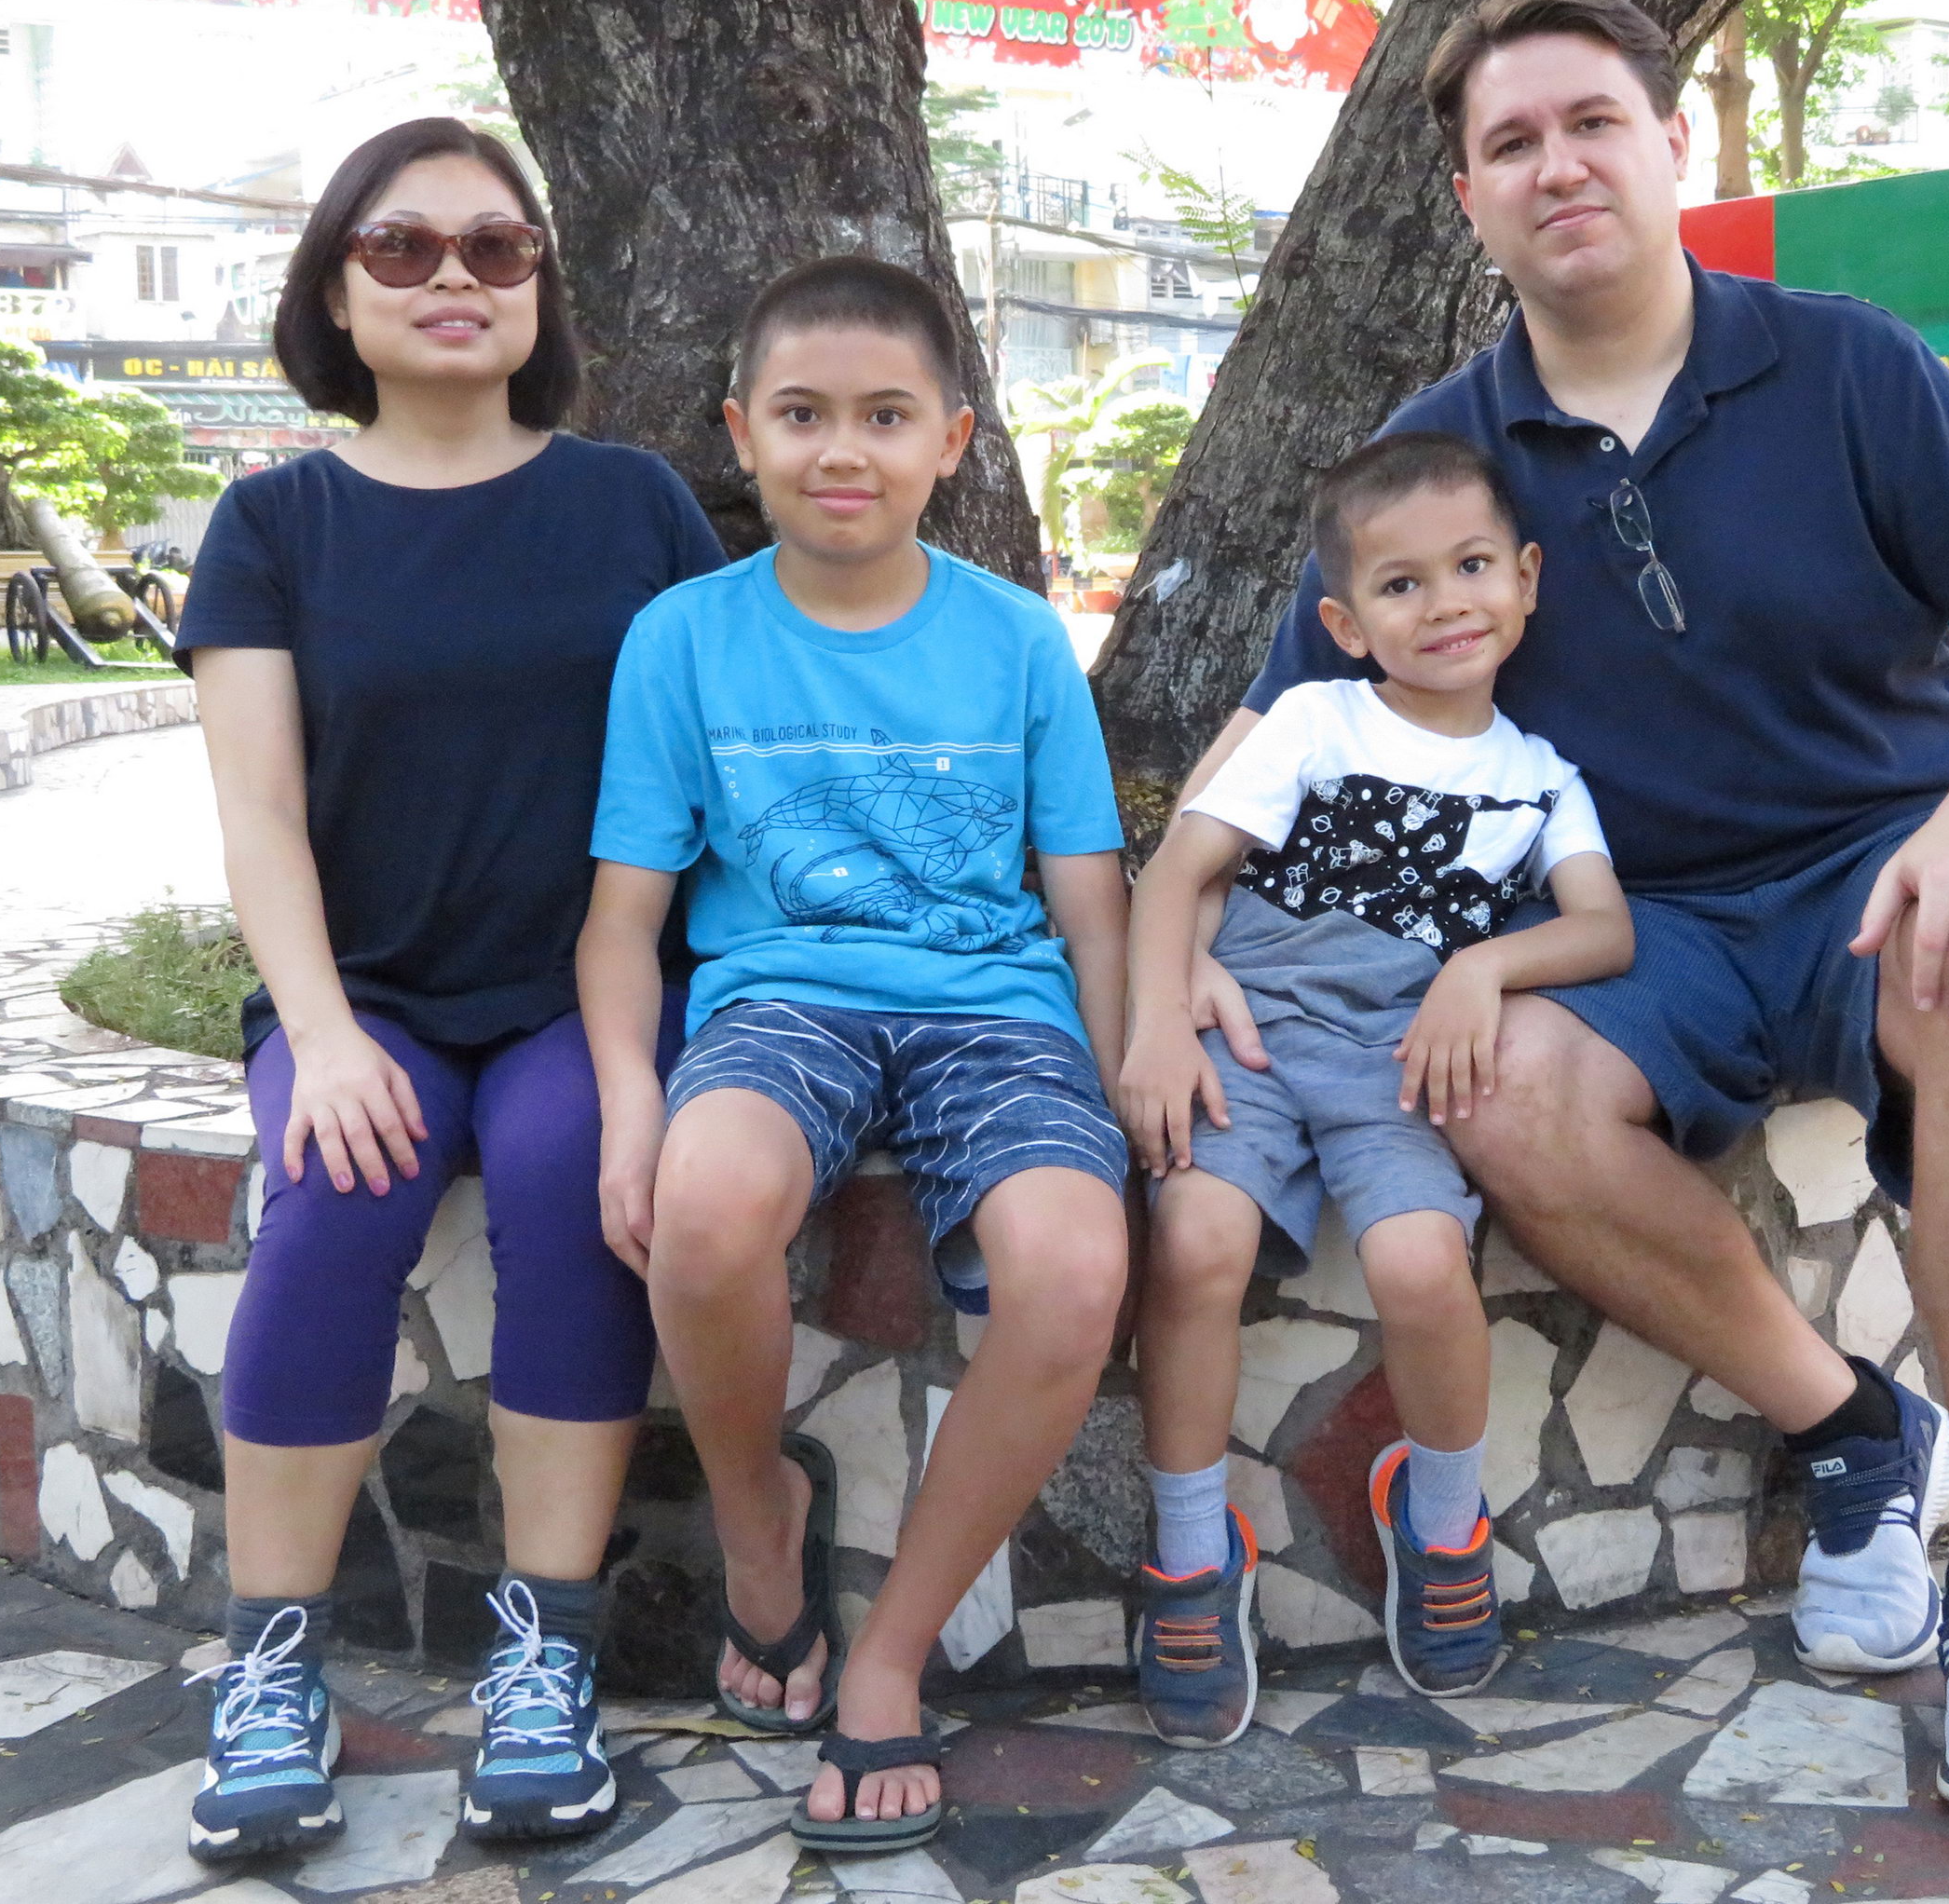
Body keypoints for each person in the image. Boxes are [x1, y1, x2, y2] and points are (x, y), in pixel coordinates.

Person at [1179, 0, 1949, 1821]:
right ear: (1470, 198)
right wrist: (1164, 967)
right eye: (1512, 143)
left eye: (1593, 123)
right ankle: (1853, 1430)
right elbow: (1264, 738)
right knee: (1493, 1081)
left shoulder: (1848, 368)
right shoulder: (1439, 456)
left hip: (1890, 865)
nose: (1558, 165)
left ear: (1669, 140)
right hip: (1636, 929)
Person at [175, 118, 722, 1862]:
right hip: (370, 996)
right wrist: (323, 1036)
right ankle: (271, 1663)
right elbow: (260, 817)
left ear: (540, 286)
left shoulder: (634, 504)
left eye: (498, 246)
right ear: (336, 292)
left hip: (585, 991)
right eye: (401, 247)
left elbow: (711, 765)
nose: (453, 278)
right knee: (340, 1187)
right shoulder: (275, 524)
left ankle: (544, 1661)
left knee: (572, 1180)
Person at [579, 254, 1132, 1855]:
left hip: (993, 1009)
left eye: (887, 417)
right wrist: (630, 1108)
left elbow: (1091, 901)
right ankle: (765, 1524)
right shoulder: (683, 639)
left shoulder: (1016, 639)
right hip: (781, 1003)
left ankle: (887, 1657)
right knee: (700, 1211)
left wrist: (1117, 1091)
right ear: (740, 432)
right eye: (804, 414)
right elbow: (621, 923)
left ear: (952, 440)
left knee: (1071, 1267)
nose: (844, 450)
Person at [1119, 431, 1632, 1742]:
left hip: (1394, 1059)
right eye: (1402, 584)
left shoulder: (1540, 779)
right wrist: (1162, 1017)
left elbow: (1603, 928)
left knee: (1418, 1263)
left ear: (1526, 579)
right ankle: (1192, 1548)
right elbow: (1178, 870)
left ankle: (1443, 1519)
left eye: (1472, 567)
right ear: (1346, 623)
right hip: (1249, 1032)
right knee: (1196, 1242)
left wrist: (1483, 966)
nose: (1446, 603)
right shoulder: (1315, 719)